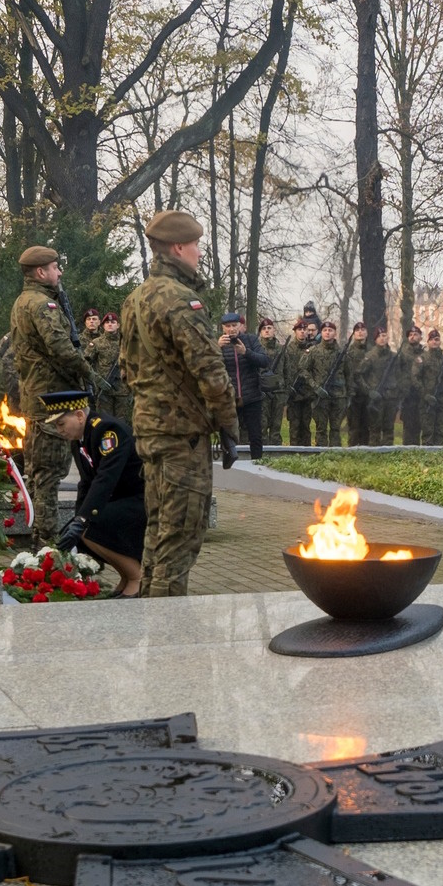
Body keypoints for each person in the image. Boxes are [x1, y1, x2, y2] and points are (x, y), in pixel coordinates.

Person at [119, 209, 237, 596]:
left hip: (150, 431)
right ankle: (169, 638)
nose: (200, 253)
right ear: (179, 247)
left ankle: (152, 621)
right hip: (182, 436)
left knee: (157, 533)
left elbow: (126, 370)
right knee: (181, 538)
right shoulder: (181, 301)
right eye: (198, 245)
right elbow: (212, 373)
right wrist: (229, 426)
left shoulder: (134, 300)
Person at [10, 247, 95, 544]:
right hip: (56, 401)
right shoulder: (42, 305)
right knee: (48, 476)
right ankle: (46, 545)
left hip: (37, 398)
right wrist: (87, 370)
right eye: (55, 268)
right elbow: (60, 347)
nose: (60, 273)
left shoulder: (22, 301)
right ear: (41, 272)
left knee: (38, 474)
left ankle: (41, 539)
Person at [41, 388, 146, 597]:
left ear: (79, 415)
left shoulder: (108, 431)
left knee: (90, 529)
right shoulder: (80, 439)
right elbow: (86, 483)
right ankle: (126, 576)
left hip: (142, 500)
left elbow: (105, 479)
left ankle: (138, 577)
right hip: (123, 501)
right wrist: (77, 517)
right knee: (79, 532)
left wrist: (83, 520)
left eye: (61, 424)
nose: (59, 430)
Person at [218, 309, 272, 459]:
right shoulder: (218, 344)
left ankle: (258, 466)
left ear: (240, 326)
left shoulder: (251, 340)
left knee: (255, 435)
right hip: (229, 397)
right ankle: (229, 465)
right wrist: (217, 348)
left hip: (252, 396)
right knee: (228, 434)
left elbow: (264, 361)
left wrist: (245, 352)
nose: (231, 329)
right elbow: (207, 365)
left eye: (234, 325)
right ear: (223, 328)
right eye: (227, 326)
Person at [309, 321, 348, 446]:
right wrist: (315, 387)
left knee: (336, 429)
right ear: (321, 332)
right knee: (321, 429)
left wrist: (348, 395)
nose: (327, 333)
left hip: (338, 396)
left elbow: (349, 374)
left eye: (330, 330)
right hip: (321, 396)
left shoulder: (342, 353)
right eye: (325, 330)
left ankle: (335, 455)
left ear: (335, 333)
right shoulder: (314, 351)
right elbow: (303, 370)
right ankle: (321, 455)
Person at [284, 317, 318, 444]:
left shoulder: (312, 349)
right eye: (300, 329)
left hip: (308, 393)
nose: (303, 332)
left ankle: (306, 453)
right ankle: (293, 453)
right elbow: (285, 370)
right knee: (294, 426)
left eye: (305, 329)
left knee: (306, 425)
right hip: (294, 394)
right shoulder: (288, 349)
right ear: (295, 332)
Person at [259, 318, 288, 448]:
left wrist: (286, 391)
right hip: (263, 392)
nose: (267, 331)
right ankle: (263, 452)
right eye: (264, 329)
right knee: (262, 424)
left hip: (279, 392)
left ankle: (277, 452)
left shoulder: (282, 349)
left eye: (269, 328)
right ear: (260, 332)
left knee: (276, 426)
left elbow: (288, 371)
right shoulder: (256, 349)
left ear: (274, 330)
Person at [397, 326, 427, 443]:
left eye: (415, 334)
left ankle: (416, 449)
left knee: (419, 423)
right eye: (410, 335)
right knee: (408, 425)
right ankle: (407, 449)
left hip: (420, 393)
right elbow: (397, 372)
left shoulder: (424, 354)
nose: (412, 336)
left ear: (420, 337)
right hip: (407, 394)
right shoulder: (402, 353)